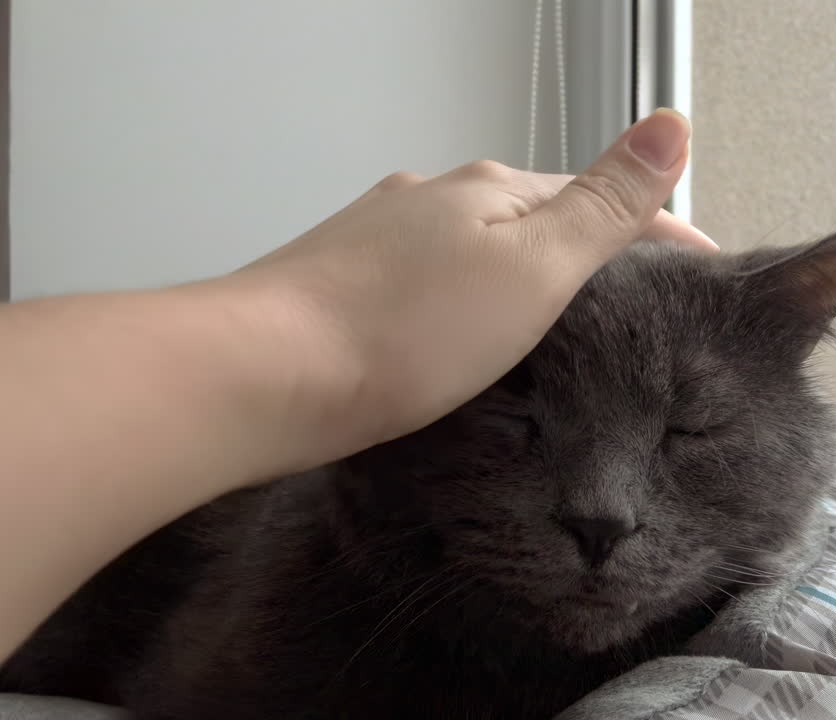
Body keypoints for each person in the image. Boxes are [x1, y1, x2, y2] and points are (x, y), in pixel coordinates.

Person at [0, 109, 717, 660]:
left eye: (692, 434)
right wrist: (321, 329)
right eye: (513, 424)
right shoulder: (296, 618)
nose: (603, 510)